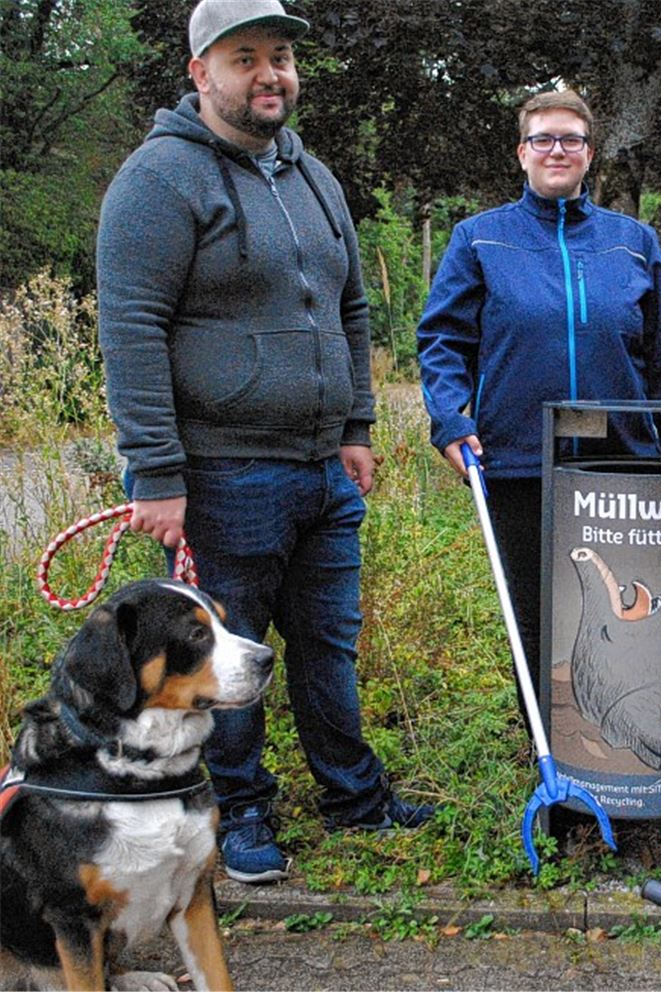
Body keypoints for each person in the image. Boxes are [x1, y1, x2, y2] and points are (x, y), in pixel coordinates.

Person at [97, 0, 433, 885]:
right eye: (245, 57)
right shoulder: (160, 179)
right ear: (201, 73)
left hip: (323, 469)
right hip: (222, 472)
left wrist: (357, 427)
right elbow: (130, 328)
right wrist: (156, 472)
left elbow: (353, 308)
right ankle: (239, 809)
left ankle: (353, 796)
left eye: (280, 56)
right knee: (229, 655)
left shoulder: (312, 178)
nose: (270, 73)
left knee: (328, 643)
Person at [417, 90, 661, 701]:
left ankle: (617, 745)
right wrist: (448, 419)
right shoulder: (480, 239)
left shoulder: (633, 242)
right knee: (537, 616)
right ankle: (550, 754)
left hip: (620, 464)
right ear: (522, 153)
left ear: (589, 154)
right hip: (519, 463)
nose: (557, 150)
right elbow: (442, 340)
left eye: (571, 139)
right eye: (543, 138)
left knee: (619, 606)